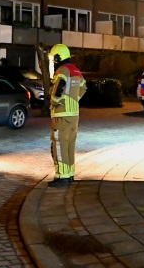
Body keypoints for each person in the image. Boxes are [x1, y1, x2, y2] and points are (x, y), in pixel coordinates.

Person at [47, 44, 86, 188]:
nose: (53, 60)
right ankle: (69, 174)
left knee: (59, 144)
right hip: (74, 114)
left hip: (62, 113)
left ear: (58, 57)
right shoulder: (75, 70)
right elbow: (83, 86)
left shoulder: (62, 70)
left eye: (54, 57)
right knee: (70, 145)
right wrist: (74, 99)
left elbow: (59, 87)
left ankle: (62, 177)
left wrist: (54, 101)